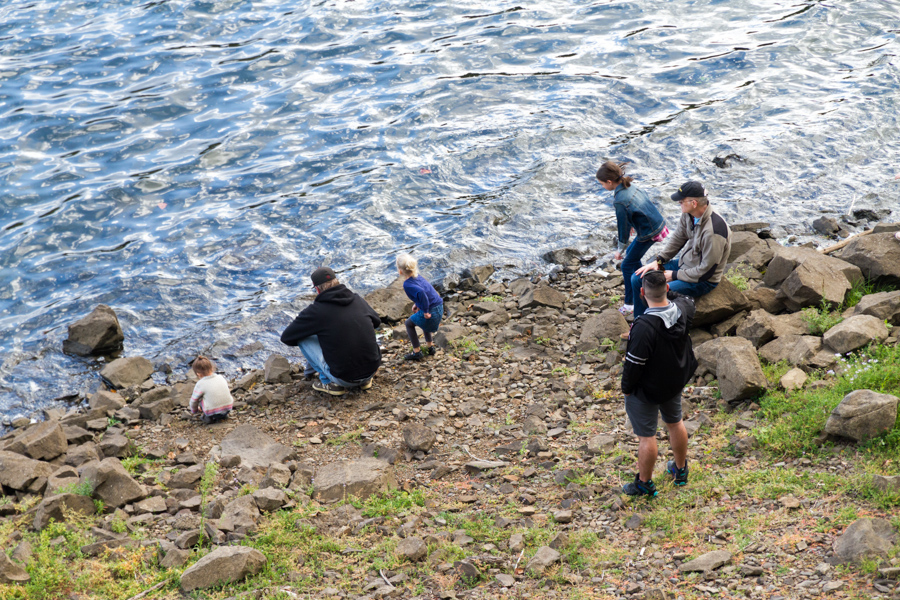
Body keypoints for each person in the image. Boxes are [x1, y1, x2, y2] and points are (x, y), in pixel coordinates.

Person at [620, 270, 698, 497]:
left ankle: (644, 484)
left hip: (648, 389)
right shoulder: (684, 308)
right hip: (674, 380)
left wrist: (626, 389)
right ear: (666, 290)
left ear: (642, 293)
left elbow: (633, 364)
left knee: (647, 436)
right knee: (675, 422)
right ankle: (680, 470)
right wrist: (667, 289)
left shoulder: (643, 326)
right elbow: (684, 298)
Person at [632, 180, 732, 320]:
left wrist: (674, 275)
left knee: (659, 291)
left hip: (702, 280)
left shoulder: (714, 231)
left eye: (681, 201)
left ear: (694, 203)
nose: (678, 203)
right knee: (637, 278)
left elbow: (705, 272)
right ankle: (639, 322)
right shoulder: (690, 214)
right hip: (683, 264)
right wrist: (659, 260)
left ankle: (654, 326)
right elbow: (678, 238)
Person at [280, 267, 382, 396]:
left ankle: (328, 382)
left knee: (303, 337)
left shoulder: (316, 311)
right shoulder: (357, 299)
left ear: (317, 289)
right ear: (337, 281)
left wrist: (320, 335)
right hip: (372, 369)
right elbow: (377, 322)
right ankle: (364, 381)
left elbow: (287, 337)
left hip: (344, 378)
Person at [596, 161, 668, 316]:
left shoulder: (620, 200)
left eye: (602, 184)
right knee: (633, 258)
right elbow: (641, 204)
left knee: (626, 265)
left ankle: (630, 303)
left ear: (609, 182)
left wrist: (619, 250)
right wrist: (635, 222)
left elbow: (623, 228)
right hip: (656, 223)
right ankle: (644, 286)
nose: (602, 187)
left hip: (648, 232)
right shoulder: (629, 185)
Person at [397, 253, 444, 361]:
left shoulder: (407, 284)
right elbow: (427, 292)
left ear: (400, 271)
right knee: (421, 320)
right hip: (439, 307)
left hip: (431, 312)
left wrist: (426, 311)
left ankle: (417, 352)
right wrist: (417, 305)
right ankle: (430, 347)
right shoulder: (418, 277)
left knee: (408, 324)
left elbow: (422, 293)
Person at [189, 356, 233, 424]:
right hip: (228, 408)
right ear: (212, 368)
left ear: (198, 374)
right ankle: (223, 415)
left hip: (213, 413)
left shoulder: (200, 384)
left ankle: (208, 418)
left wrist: (195, 411)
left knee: (201, 399)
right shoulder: (220, 377)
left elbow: (193, 401)